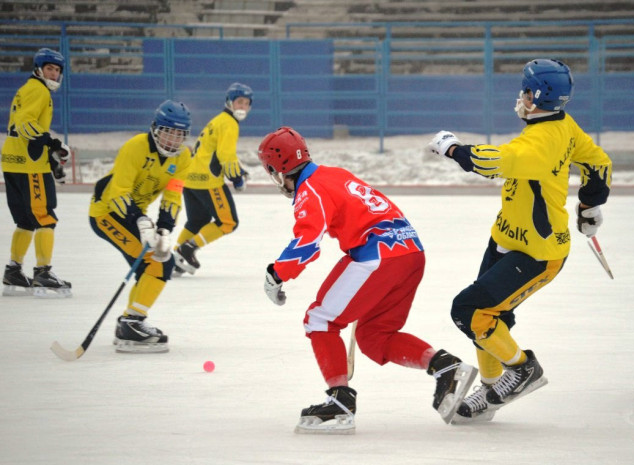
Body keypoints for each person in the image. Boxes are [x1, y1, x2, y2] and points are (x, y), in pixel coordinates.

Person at [258, 126, 477, 434]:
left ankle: (339, 402)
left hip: (377, 256)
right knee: (375, 337)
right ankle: (446, 367)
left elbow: (307, 243)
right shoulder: (335, 174)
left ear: (276, 168)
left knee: (319, 320)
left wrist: (276, 273)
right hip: (411, 251)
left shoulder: (310, 190)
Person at [428, 58, 612, 423]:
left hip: (538, 253)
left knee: (469, 311)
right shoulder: (563, 124)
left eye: (526, 90)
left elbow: (494, 161)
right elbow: (597, 162)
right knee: (492, 319)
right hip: (506, 239)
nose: (521, 96)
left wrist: (452, 148)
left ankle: (523, 369)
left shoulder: (539, 143)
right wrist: (590, 206)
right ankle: (493, 389)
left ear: (537, 95)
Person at [88, 100, 193, 353]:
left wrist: (165, 228)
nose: (173, 140)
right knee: (158, 263)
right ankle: (131, 323)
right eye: (169, 132)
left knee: (156, 261)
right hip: (107, 213)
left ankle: (131, 322)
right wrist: (141, 220)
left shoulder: (183, 157)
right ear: (156, 129)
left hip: (137, 216)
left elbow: (173, 194)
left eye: (180, 134)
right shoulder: (134, 147)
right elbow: (118, 191)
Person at [2, 48, 72, 298]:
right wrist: (52, 142)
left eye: (57, 69)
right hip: (29, 166)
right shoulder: (38, 90)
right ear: (39, 69)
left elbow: (23, 125)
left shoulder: (26, 89)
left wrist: (51, 159)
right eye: (49, 68)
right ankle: (43, 273)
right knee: (45, 217)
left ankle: (13, 270)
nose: (53, 73)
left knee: (25, 221)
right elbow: (25, 123)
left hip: (13, 161)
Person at [172, 82, 252, 275]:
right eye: (239, 101)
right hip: (207, 181)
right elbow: (226, 156)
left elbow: (214, 151)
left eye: (247, 103)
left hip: (191, 178)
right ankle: (188, 248)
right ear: (229, 102)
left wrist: (239, 170)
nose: (242, 106)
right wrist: (237, 179)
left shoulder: (219, 120)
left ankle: (174, 258)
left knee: (197, 221)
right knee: (228, 222)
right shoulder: (229, 123)